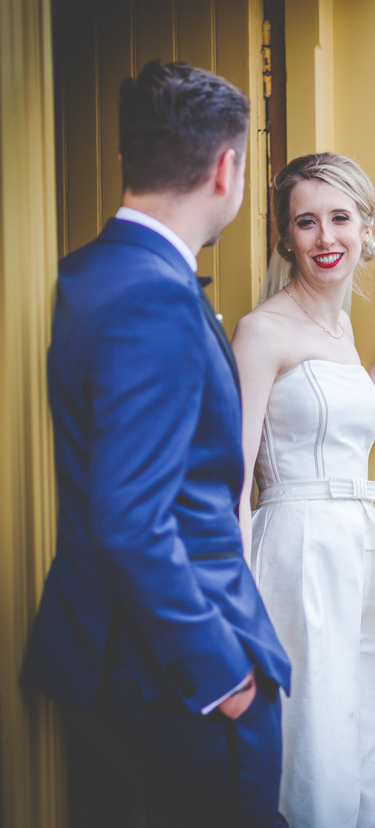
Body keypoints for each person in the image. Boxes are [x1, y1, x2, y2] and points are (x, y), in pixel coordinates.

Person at [21, 60, 291, 828]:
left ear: (123, 161)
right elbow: (129, 518)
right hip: (179, 678)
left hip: (106, 661)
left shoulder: (89, 271)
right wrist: (220, 673)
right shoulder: (154, 296)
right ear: (226, 168)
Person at [231, 152, 375, 828]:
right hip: (296, 556)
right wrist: (232, 605)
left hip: (360, 548)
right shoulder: (261, 331)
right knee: (315, 733)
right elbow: (236, 478)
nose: (326, 238)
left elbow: (351, 429)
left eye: (340, 218)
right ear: (286, 236)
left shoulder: (345, 326)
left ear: (367, 226)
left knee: (366, 729)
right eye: (307, 222)